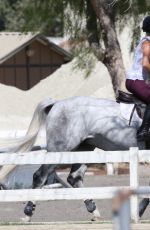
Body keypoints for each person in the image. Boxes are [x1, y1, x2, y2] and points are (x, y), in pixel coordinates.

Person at [126, 16, 150, 141]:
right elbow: (145, 64)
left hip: (138, 81)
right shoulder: (147, 43)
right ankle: (143, 130)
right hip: (135, 81)